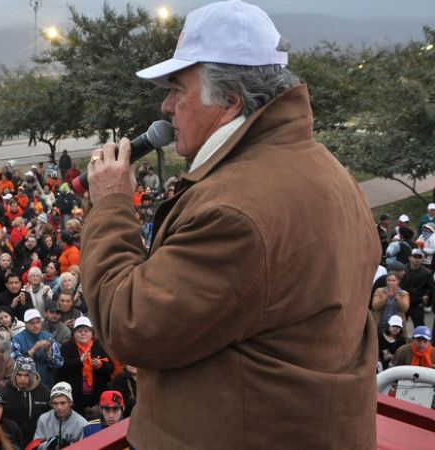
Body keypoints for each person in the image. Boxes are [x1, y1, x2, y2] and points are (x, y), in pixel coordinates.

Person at [80, 1, 378, 447]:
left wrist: (111, 206)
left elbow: (129, 325)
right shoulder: (326, 168)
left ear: (230, 99)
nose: (166, 106)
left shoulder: (235, 211)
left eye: (178, 90)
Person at [57, 316, 113, 415]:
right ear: (74, 334)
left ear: (92, 333)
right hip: (75, 396)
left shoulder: (100, 346)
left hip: (97, 395)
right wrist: (79, 361)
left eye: (86, 331)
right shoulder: (67, 347)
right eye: (79, 331)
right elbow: (61, 368)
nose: (83, 333)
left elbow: (110, 368)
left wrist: (100, 366)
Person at [0, 356, 50, 444]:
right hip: (12, 440)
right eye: (19, 375)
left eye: (26, 375)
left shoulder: (44, 392)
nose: (22, 379)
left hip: (38, 439)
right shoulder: (5, 392)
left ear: (32, 375)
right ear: (14, 374)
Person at [10, 309, 63, 388]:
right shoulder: (17, 340)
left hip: (47, 384)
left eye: (38, 322)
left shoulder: (48, 337)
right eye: (32, 323)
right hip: (26, 385)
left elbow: (59, 364)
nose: (36, 326)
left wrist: (49, 353)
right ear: (25, 324)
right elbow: (15, 365)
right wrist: (33, 350)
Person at [31, 382, 87, 449]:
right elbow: (35, 446)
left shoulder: (82, 423)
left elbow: (87, 447)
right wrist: (48, 444)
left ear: (70, 403)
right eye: (55, 403)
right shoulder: (43, 419)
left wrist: (70, 446)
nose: (59, 407)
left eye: (63, 403)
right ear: (51, 404)